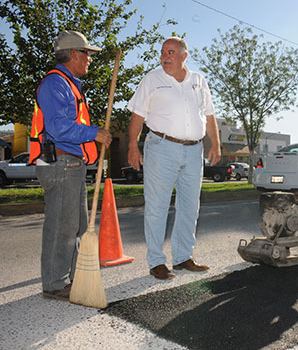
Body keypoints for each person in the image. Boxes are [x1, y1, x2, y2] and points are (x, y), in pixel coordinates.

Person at [127, 36, 221, 280]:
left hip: (194, 150)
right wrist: (132, 146)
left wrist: (216, 145)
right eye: (162, 53)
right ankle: (157, 261)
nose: (165, 57)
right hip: (161, 146)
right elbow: (137, 115)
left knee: (190, 206)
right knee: (157, 206)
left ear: (183, 56)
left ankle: (183, 257)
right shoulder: (152, 79)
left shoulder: (199, 81)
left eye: (170, 52)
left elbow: (209, 115)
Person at [30, 30, 112, 301]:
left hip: (70, 163)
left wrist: (93, 133)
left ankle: (76, 276)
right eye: (87, 54)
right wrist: (93, 133)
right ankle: (54, 283)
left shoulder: (68, 83)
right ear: (74, 54)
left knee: (76, 224)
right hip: (60, 162)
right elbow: (57, 126)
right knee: (62, 225)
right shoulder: (56, 84)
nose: (90, 59)